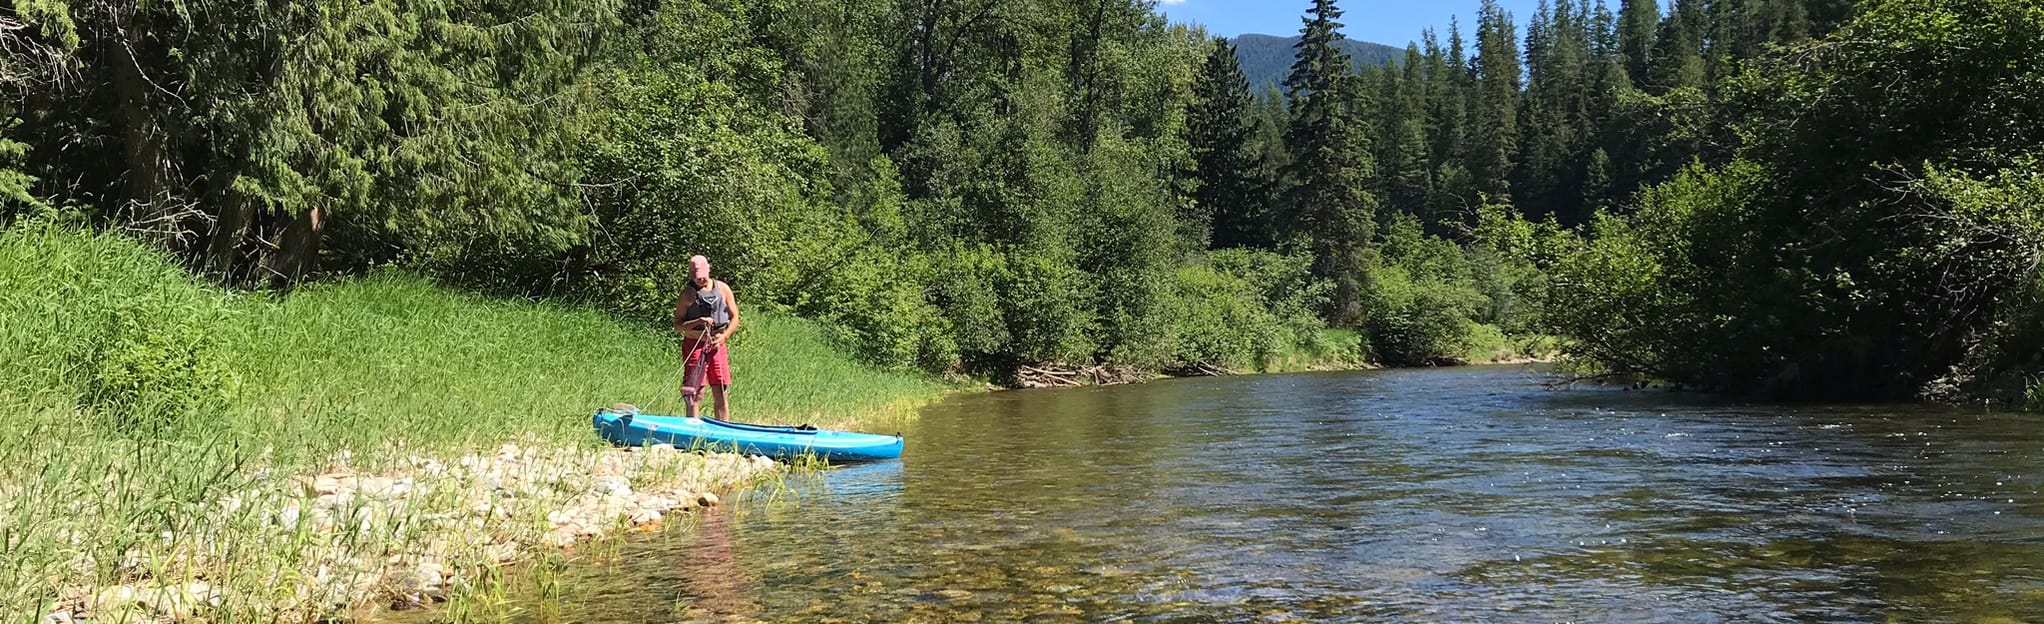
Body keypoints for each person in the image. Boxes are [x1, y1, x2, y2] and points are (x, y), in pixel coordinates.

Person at [674, 254, 741, 420]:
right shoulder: (687, 295)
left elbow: (735, 318)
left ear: (709, 269)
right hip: (695, 344)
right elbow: (677, 327)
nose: (701, 280)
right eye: (697, 277)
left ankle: (723, 430)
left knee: (721, 389)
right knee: (695, 392)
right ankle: (693, 431)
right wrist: (697, 321)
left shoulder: (723, 288)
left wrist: (724, 336)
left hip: (717, 345)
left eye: (703, 276)